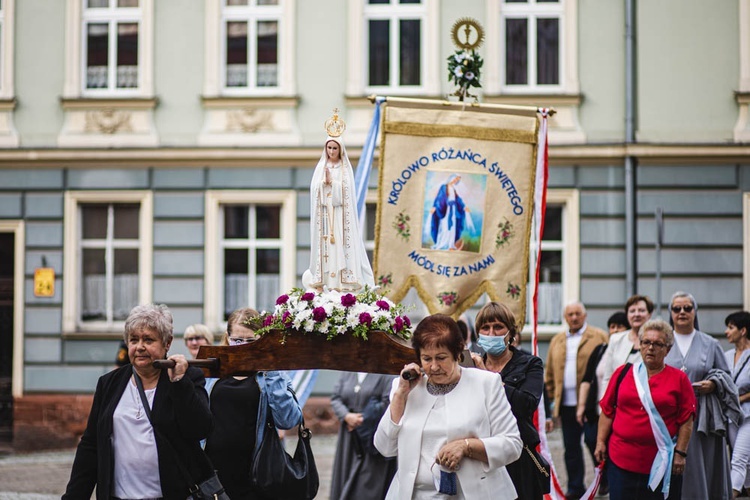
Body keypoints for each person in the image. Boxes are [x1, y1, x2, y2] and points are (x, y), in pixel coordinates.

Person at [63, 304, 216, 499]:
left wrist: (179, 382)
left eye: (149, 340)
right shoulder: (109, 383)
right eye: (134, 340)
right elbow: (91, 445)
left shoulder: (187, 378)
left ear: (167, 343)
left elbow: (200, 429)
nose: (140, 347)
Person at [374, 314, 522, 499]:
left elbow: (512, 445)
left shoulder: (486, 383)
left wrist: (467, 446)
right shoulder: (405, 387)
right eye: (427, 359)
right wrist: (400, 395)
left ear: (458, 354)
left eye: (441, 358)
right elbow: (384, 448)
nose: (434, 366)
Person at [204, 307, 303, 499]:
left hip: (257, 471)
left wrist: (271, 371)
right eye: (238, 340)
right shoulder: (212, 372)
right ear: (227, 337)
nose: (243, 346)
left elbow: (288, 420)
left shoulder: (274, 374)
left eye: (250, 341)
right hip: (213, 470)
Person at [594, 318, 696, 499]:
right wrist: (600, 442)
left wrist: (680, 454)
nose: (651, 348)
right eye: (646, 342)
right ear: (639, 345)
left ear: (667, 350)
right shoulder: (623, 373)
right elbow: (608, 411)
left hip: (660, 462)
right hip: (621, 460)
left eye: (658, 344)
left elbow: (686, 419)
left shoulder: (679, 379)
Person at [665, 291, 739, 500]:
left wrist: (714, 383)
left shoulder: (710, 343)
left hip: (702, 417)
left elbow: (726, 376)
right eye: (677, 308)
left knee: (702, 467)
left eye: (687, 308)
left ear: (694, 312)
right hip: (670, 415)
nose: (682, 312)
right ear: (670, 313)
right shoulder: (663, 342)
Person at [470, 302, 546, 499]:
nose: (492, 333)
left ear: (510, 333)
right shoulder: (469, 367)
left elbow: (527, 404)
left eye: (498, 327)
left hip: (518, 455)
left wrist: (487, 376)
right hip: (482, 454)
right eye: (485, 328)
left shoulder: (530, 363)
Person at [302, 111, 374, 292]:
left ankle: (342, 283)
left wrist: (332, 184)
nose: (332, 151)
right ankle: (325, 281)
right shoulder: (321, 167)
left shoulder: (344, 169)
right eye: (329, 148)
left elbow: (347, 193)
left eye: (335, 148)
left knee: (339, 246)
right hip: (325, 217)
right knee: (326, 247)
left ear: (340, 150)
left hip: (340, 217)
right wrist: (323, 184)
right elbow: (314, 190)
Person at [544, 301, 608, 499]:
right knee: (570, 448)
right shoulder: (557, 340)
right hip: (566, 404)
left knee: (592, 441)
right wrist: (553, 398)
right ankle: (575, 487)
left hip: (591, 404)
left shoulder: (598, 336)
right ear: (565, 317)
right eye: (570, 314)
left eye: (577, 313)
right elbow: (551, 373)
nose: (573, 317)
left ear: (585, 315)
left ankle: (604, 479)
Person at [574, 310, 630, 496]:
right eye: (611, 327)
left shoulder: (630, 353)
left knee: (613, 449)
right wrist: (581, 407)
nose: (614, 331)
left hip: (618, 412)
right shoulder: (600, 350)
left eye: (619, 327)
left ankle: (612, 482)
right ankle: (603, 476)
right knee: (592, 441)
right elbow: (586, 379)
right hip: (595, 410)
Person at [330, 371, 397, 500]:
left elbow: (389, 402)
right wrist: (346, 416)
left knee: (367, 483)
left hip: (371, 435)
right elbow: (336, 398)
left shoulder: (386, 373)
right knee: (346, 472)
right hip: (349, 435)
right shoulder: (348, 372)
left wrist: (362, 420)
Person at [598, 295, 654, 399]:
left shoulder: (656, 340)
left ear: (649, 314)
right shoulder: (615, 339)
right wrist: (603, 408)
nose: (636, 314)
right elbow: (607, 378)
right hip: (619, 402)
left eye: (641, 310)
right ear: (627, 315)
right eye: (632, 311)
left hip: (648, 401)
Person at [725, 311, 750, 498]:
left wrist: (739, 398)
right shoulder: (726, 356)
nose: (726, 332)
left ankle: (728, 495)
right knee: (745, 462)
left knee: (738, 459)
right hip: (731, 416)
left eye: (731, 327)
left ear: (743, 330)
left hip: (748, 415)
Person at [429, 174, 472, 251]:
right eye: (455, 179)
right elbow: (439, 198)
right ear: (451, 178)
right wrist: (435, 207)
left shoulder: (454, 189)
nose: (455, 181)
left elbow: (458, 200)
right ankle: (442, 244)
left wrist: (464, 207)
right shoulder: (443, 187)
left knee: (452, 228)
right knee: (444, 227)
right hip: (445, 211)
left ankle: (450, 245)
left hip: (453, 210)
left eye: (457, 180)